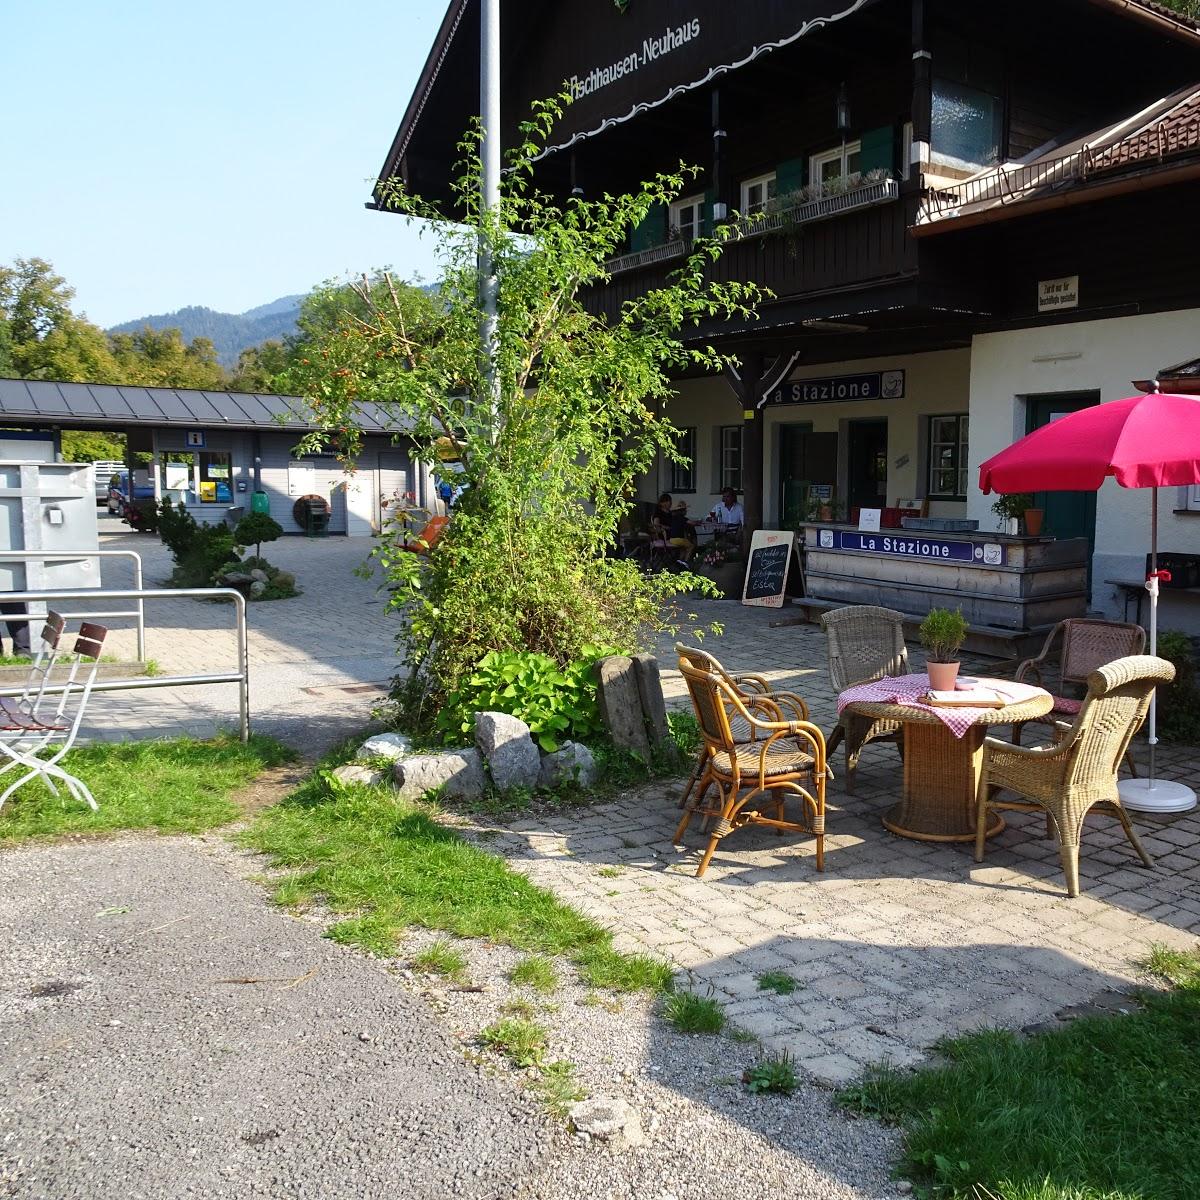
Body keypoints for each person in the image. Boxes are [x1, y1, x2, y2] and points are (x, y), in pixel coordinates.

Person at [668, 500, 696, 565]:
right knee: (691, 546)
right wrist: (698, 522)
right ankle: (685, 562)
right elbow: (692, 523)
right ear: (682, 511)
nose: (686, 511)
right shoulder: (682, 518)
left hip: (671, 539)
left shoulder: (673, 518)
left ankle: (680, 562)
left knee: (683, 548)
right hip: (679, 539)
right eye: (685, 510)